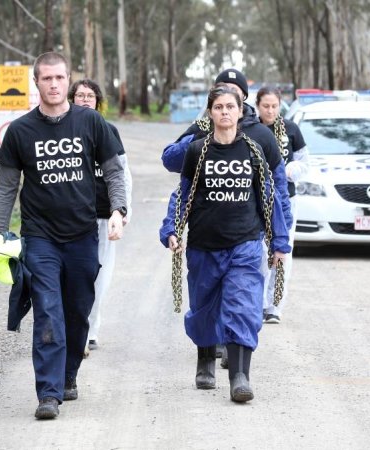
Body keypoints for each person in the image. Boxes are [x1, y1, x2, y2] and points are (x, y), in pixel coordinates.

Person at [0, 52, 127, 420]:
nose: (53, 84)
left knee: (77, 312)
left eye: (59, 78)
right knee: (48, 312)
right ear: (36, 82)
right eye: (46, 78)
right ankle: (48, 393)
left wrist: (118, 211)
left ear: (69, 80)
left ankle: (68, 376)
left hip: (83, 235)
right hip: (40, 237)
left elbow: (114, 172)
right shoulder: (21, 131)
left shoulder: (91, 122)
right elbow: (6, 188)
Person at [159, 85, 291, 403]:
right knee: (205, 308)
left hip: (244, 242)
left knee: (243, 306)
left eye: (230, 107)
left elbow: (269, 197)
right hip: (204, 244)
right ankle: (205, 362)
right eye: (218, 107)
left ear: (240, 109)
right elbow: (183, 195)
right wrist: (171, 228)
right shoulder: (196, 151)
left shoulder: (253, 150)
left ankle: (239, 377)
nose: (224, 112)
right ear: (210, 112)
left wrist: (279, 241)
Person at [66, 79, 133, 356]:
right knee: (75, 277)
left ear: (98, 102)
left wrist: (122, 210)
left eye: (89, 96)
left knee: (99, 276)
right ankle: (75, 330)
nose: (84, 100)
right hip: (71, 218)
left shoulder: (109, 131)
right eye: (79, 95)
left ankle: (91, 330)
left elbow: (122, 173)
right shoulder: (62, 132)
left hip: (104, 216)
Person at [256, 86, 309, 324]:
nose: (270, 110)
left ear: (280, 106)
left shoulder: (292, 129)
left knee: (282, 251)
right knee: (258, 254)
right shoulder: (251, 130)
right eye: (265, 106)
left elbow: (304, 163)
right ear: (257, 106)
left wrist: (287, 171)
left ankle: (275, 306)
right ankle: (257, 304)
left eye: (274, 106)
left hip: (286, 198)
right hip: (256, 199)